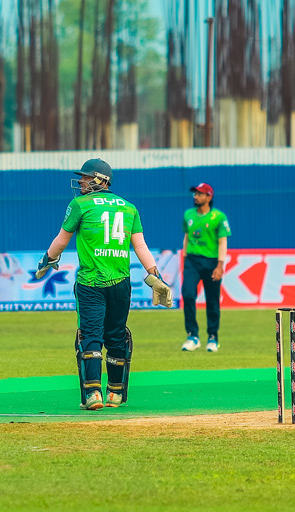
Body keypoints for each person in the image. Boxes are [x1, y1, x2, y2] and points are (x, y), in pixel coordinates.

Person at [38, 158, 173, 410]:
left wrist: (47, 259)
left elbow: (61, 240)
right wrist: (156, 275)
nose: (81, 181)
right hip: (121, 283)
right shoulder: (129, 207)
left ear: (100, 180)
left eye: (86, 177)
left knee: (91, 336)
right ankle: (115, 393)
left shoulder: (80, 204)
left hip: (91, 283)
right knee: (116, 336)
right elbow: (140, 245)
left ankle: (93, 394)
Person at [180, 182, 231, 353]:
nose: (196, 196)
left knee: (212, 300)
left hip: (212, 262)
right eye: (195, 193)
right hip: (192, 261)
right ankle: (192, 336)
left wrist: (220, 265)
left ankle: (213, 337)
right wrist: (185, 259)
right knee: (187, 294)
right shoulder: (188, 214)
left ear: (209, 197)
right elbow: (186, 237)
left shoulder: (218, 217)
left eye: (200, 194)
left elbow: (223, 242)